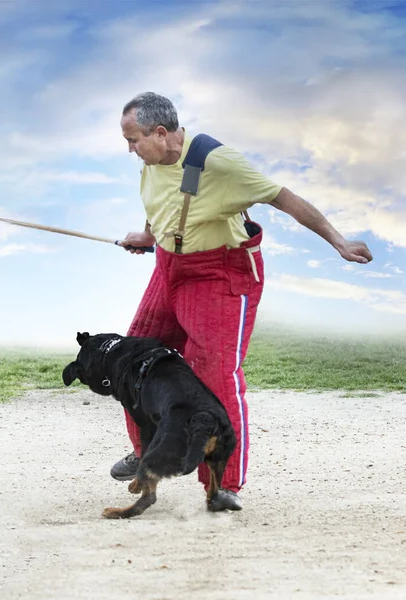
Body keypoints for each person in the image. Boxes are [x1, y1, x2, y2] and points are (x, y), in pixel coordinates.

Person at [111, 91, 372, 510]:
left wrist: (338, 242)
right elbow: (159, 201)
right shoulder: (152, 160)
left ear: (161, 133)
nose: (129, 150)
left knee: (213, 370)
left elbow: (284, 198)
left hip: (219, 272)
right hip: (169, 268)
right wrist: (149, 235)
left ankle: (223, 482)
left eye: (133, 140)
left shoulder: (218, 163)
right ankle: (147, 453)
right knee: (134, 360)